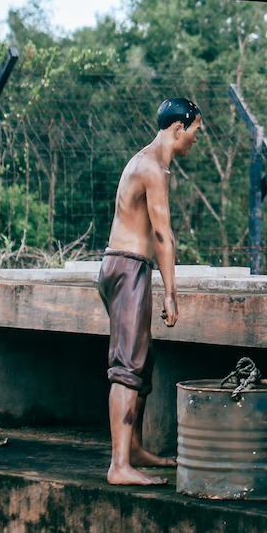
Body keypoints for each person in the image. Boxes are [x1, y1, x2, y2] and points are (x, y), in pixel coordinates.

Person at [98, 96, 203, 486]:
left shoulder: (148, 161)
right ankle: (119, 465)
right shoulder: (151, 169)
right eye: (195, 131)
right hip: (128, 267)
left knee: (143, 358)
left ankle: (135, 448)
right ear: (179, 128)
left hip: (122, 265)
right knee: (127, 367)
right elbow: (162, 234)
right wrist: (171, 292)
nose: (196, 138)